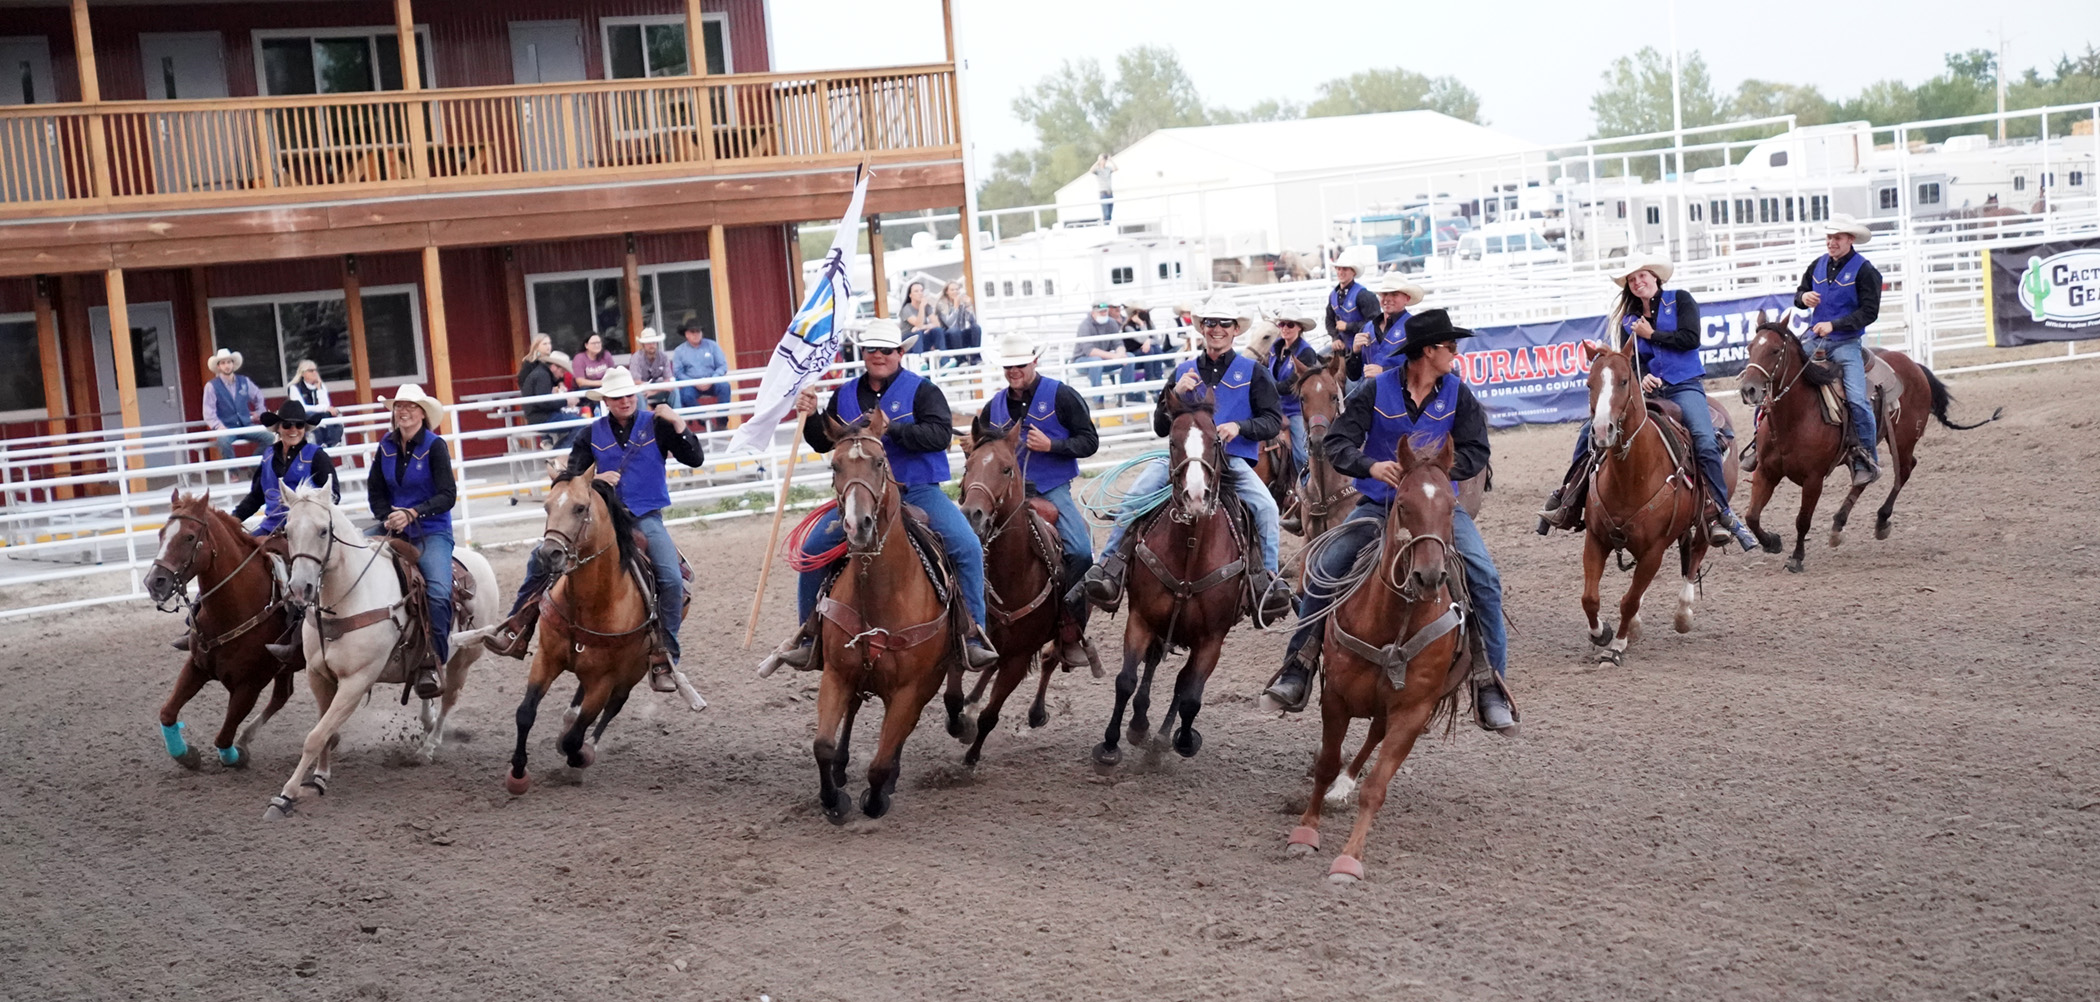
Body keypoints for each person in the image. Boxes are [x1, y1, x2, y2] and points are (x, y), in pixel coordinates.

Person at [1259, 310, 1515, 731]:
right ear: (1427, 351)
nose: (1455, 353)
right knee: (1324, 570)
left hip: (1435, 511)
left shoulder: (1458, 393)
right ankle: (1299, 664)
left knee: (1484, 578)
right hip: (1380, 504)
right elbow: (1339, 441)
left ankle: (1490, 683)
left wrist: (1437, 473)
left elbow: (1477, 450)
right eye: (1450, 347)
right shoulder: (1375, 391)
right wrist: (1370, 466)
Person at [775, 319, 998, 669]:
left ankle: (973, 635)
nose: (879, 355)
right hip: (860, 496)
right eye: (872, 349)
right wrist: (813, 414)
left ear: (901, 353)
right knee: (811, 551)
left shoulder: (923, 391)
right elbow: (823, 440)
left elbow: (939, 436)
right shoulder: (844, 394)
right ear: (863, 354)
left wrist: (892, 429)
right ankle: (809, 635)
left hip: (918, 490)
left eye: (887, 350)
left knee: (966, 546)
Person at [1078, 297, 1293, 625]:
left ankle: (1268, 580)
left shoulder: (1254, 372)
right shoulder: (1182, 371)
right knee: (1136, 495)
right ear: (1202, 328)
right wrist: (1172, 396)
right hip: (1181, 459)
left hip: (1230, 460)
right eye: (1210, 323)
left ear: (1235, 330)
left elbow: (1272, 421)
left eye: (1224, 323)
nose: (1216, 329)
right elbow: (1160, 426)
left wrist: (1240, 426)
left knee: (1266, 507)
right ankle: (1109, 567)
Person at [489, 368, 705, 691]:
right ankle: (517, 623)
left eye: (629, 395)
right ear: (605, 401)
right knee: (539, 559)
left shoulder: (658, 425)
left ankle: (665, 655)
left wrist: (679, 424)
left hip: (645, 518)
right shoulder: (590, 434)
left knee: (672, 580)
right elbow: (570, 480)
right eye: (617, 397)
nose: (625, 401)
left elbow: (695, 458)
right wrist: (597, 481)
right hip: (601, 520)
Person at [1536, 254, 1760, 551]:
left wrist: (1651, 333)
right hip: (1647, 391)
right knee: (1588, 432)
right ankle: (1569, 498)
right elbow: (1628, 362)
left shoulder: (1681, 300)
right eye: (1632, 279)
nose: (1638, 282)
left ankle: (1718, 511)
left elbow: (1690, 339)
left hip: (1684, 386)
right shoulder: (1627, 320)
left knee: (1705, 441)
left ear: (1656, 278)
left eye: (1642, 276)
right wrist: (1641, 379)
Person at [970, 333, 1101, 665]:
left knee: (1081, 552)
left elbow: (1089, 441)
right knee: (967, 546)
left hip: (1051, 488)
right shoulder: (993, 407)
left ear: (1034, 362)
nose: (1014, 371)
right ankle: (970, 625)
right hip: (1003, 494)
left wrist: (1053, 446)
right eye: (1008, 366)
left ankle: (1070, 628)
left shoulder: (1062, 396)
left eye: (1020, 365)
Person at [1758, 213, 1884, 486]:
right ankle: (1759, 446)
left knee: (1857, 400)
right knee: (1775, 381)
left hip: (1846, 343)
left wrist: (1835, 324)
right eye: (1829, 237)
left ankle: (1866, 457)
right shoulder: (1817, 265)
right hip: (1814, 340)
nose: (1831, 242)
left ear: (1850, 239)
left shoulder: (1865, 271)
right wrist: (1803, 298)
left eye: (1837, 238)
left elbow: (1870, 312)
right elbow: (1799, 295)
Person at [364, 385, 458, 700]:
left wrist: (413, 512)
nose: (403, 411)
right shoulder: (385, 447)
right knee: (346, 560)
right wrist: (386, 514)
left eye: (410, 406)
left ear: (422, 413)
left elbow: (448, 495)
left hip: (431, 530)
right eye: (399, 406)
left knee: (439, 593)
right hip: (394, 526)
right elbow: (375, 490)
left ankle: (433, 660)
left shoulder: (435, 446)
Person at [231, 399, 337, 536]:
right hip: (271, 528)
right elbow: (256, 496)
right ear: (278, 428)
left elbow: (333, 494)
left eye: (299, 425)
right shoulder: (268, 456)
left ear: (304, 429)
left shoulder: (317, 456)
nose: (293, 430)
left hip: (306, 530)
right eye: (287, 425)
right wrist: (234, 518)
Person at [1265, 306, 1325, 485]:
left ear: (1300, 328)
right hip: (1273, 407)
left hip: (1295, 409)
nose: (1284, 328)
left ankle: (1309, 484)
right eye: (1282, 324)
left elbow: (1291, 385)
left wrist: (1266, 388)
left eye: (1289, 325)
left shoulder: (1306, 353)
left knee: (1301, 453)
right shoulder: (1275, 349)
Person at [1347, 274, 1427, 380]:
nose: (1387, 299)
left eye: (1394, 294)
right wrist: (1355, 352)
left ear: (1406, 299)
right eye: (1384, 294)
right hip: (1371, 394)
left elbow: (1422, 370)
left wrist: (1384, 371)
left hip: (1402, 395)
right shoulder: (1366, 328)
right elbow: (1353, 376)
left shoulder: (1416, 328)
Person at [202, 348, 268, 462]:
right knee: (223, 442)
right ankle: (233, 473)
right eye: (223, 363)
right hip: (227, 427)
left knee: (270, 438)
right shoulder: (212, 386)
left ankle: (253, 465)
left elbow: (258, 396)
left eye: (229, 362)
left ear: (233, 364)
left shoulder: (244, 381)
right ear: (218, 367)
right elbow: (208, 410)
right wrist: (218, 426)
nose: (226, 366)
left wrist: (260, 412)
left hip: (246, 425)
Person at [517, 335, 577, 450]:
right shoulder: (534, 368)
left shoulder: (544, 371)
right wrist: (566, 401)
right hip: (541, 414)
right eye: (544, 344)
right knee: (582, 424)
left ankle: (558, 453)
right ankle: (558, 454)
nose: (548, 346)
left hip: (542, 411)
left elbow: (547, 393)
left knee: (576, 421)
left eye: (549, 343)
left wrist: (558, 387)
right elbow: (543, 401)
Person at [671, 321, 730, 429]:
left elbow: (722, 366)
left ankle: (722, 420)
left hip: (712, 381)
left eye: (698, 331)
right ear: (686, 334)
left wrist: (712, 379)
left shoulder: (712, 345)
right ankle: (705, 420)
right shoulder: (679, 351)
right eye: (692, 332)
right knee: (685, 395)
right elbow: (678, 372)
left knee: (725, 386)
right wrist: (694, 382)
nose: (696, 334)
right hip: (692, 384)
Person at [1323, 245, 1383, 346]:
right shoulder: (1333, 295)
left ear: (1353, 272)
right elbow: (1329, 320)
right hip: (1342, 345)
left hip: (1364, 346)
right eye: (1338, 269)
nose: (1340, 272)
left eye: (1345, 269)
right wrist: (1335, 338)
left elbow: (1375, 322)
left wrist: (1348, 326)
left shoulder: (1364, 295)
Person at [1071, 301, 1128, 396]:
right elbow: (1089, 350)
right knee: (1096, 361)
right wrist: (1114, 356)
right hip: (1082, 360)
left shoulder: (1111, 322)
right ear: (1093, 313)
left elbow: (1118, 343)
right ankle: (1098, 400)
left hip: (1103, 359)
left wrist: (1121, 354)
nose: (1103, 313)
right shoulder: (1085, 325)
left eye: (1105, 311)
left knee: (1129, 357)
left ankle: (1127, 394)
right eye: (1100, 312)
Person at [285, 359, 341, 448]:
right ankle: (322, 443)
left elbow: (326, 405)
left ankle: (332, 443)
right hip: (302, 418)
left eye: (315, 370)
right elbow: (301, 408)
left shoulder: (321, 386)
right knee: (314, 418)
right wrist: (323, 409)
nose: (315, 373)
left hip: (320, 417)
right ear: (303, 373)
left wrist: (319, 389)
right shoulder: (294, 387)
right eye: (311, 371)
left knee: (332, 417)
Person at [626, 327, 675, 407]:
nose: (651, 345)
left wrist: (653, 391)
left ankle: (677, 417)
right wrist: (651, 389)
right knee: (639, 394)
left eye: (653, 342)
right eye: (648, 343)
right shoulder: (636, 358)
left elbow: (668, 381)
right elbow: (636, 381)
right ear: (643, 345)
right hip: (642, 390)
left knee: (674, 391)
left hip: (657, 390)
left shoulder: (663, 357)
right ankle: (643, 418)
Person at [936, 281, 982, 364]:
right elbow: (950, 324)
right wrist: (955, 307)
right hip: (949, 337)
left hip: (961, 334)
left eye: (957, 289)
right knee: (954, 330)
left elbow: (972, 320)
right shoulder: (941, 304)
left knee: (976, 327)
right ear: (947, 292)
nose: (955, 292)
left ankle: (975, 357)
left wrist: (968, 305)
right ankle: (961, 360)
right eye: (952, 290)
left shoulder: (962, 301)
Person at [901, 282, 944, 358]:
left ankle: (944, 360)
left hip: (921, 336)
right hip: (909, 340)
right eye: (916, 291)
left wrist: (927, 327)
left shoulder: (927, 306)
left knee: (937, 330)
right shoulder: (906, 309)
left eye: (921, 291)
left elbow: (937, 324)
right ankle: (920, 360)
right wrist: (921, 307)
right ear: (910, 295)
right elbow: (918, 324)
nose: (920, 293)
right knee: (918, 333)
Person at [1092, 153, 1116, 222]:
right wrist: (1098, 161)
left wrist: (1111, 160)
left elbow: (1116, 168)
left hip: (1109, 193)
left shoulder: (1108, 169)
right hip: (1103, 193)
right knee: (1106, 213)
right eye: (1103, 159)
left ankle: (1108, 226)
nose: (1104, 161)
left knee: (1110, 214)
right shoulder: (1097, 170)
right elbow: (1091, 170)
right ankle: (1106, 227)